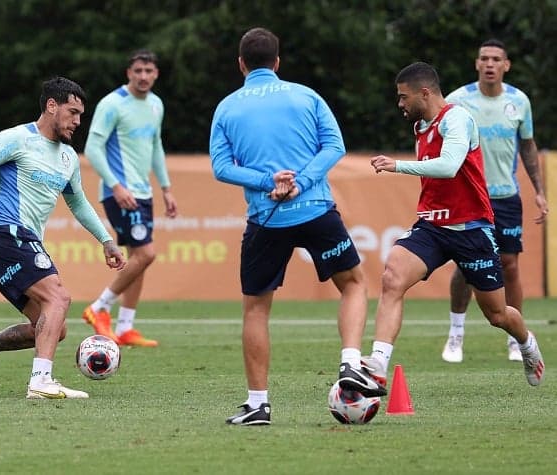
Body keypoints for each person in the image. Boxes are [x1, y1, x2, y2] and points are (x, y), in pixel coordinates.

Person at [209, 27, 385, 426]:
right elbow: (335, 147)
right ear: (277, 62)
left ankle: (258, 405)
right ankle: (350, 364)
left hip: (265, 218)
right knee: (355, 284)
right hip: (315, 210)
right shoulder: (307, 96)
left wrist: (266, 181)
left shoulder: (227, 107)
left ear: (241, 64)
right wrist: (301, 183)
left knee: (256, 309)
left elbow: (221, 168)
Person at [0, 76, 126, 399]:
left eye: (81, 115)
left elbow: (79, 203)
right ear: (51, 106)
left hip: (19, 242)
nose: (77, 121)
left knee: (53, 327)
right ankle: (41, 381)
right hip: (4, 234)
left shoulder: (68, 158)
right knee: (59, 299)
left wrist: (106, 240)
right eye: (72, 112)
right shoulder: (17, 139)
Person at [367, 61, 544, 390]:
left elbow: (449, 166)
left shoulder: (457, 118)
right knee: (392, 277)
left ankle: (526, 342)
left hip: (472, 229)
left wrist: (396, 166)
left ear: (424, 93)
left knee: (497, 315)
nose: (400, 104)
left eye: (404, 97)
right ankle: (378, 364)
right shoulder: (421, 127)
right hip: (432, 227)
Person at [440, 39, 548, 363]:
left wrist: (539, 191)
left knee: (510, 264)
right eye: (484, 58)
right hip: (469, 196)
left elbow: (528, 147)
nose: (489, 64)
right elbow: (440, 142)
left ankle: (516, 339)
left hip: (505, 196)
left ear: (506, 65)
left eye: (495, 59)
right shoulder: (457, 100)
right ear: (477, 64)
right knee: (465, 265)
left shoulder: (519, 101)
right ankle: (456, 334)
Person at [82, 49, 178, 347]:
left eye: (149, 71)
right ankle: (98, 308)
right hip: (120, 193)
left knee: (139, 258)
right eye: (138, 71)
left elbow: (156, 146)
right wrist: (116, 186)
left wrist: (165, 187)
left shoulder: (155, 105)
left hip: (143, 193)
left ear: (156, 74)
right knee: (146, 254)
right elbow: (93, 149)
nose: (143, 76)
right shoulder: (112, 104)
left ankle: (125, 327)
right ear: (128, 73)